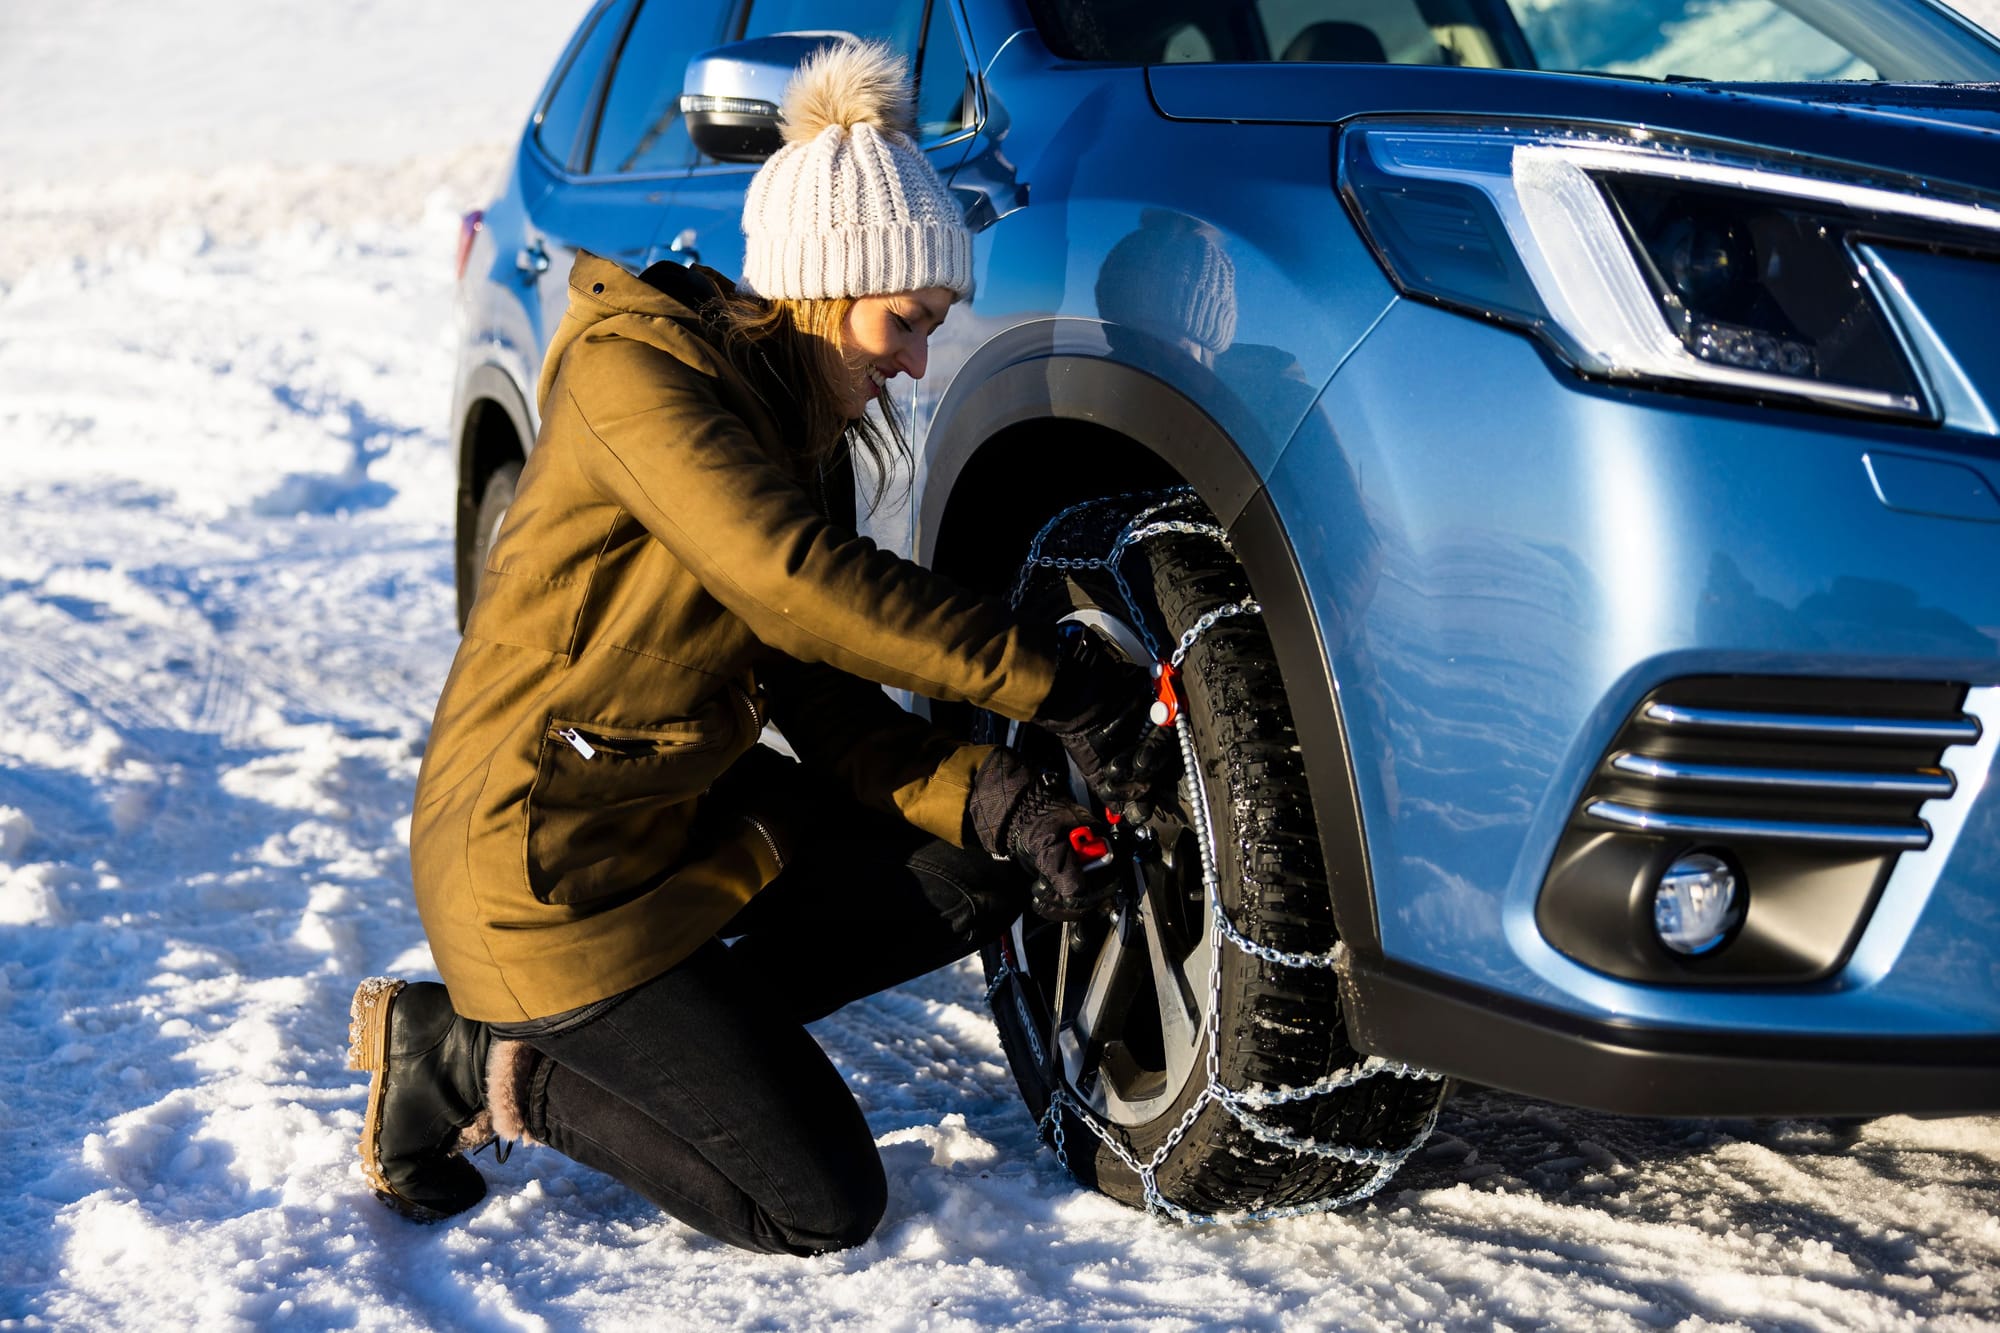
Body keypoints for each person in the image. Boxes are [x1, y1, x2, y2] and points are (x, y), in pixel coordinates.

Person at [346, 40, 1156, 1255]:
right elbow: (796, 584)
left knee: (973, 865)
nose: (914, 359)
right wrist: (1063, 685)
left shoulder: (795, 425)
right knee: (817, 1204)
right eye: (906, 319)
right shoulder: (639, 378)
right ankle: (471, 1056)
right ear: (828, 283)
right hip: (543, 864)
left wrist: (997, 799)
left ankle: (674, 1045)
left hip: (664, 806)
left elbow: (819, 694)